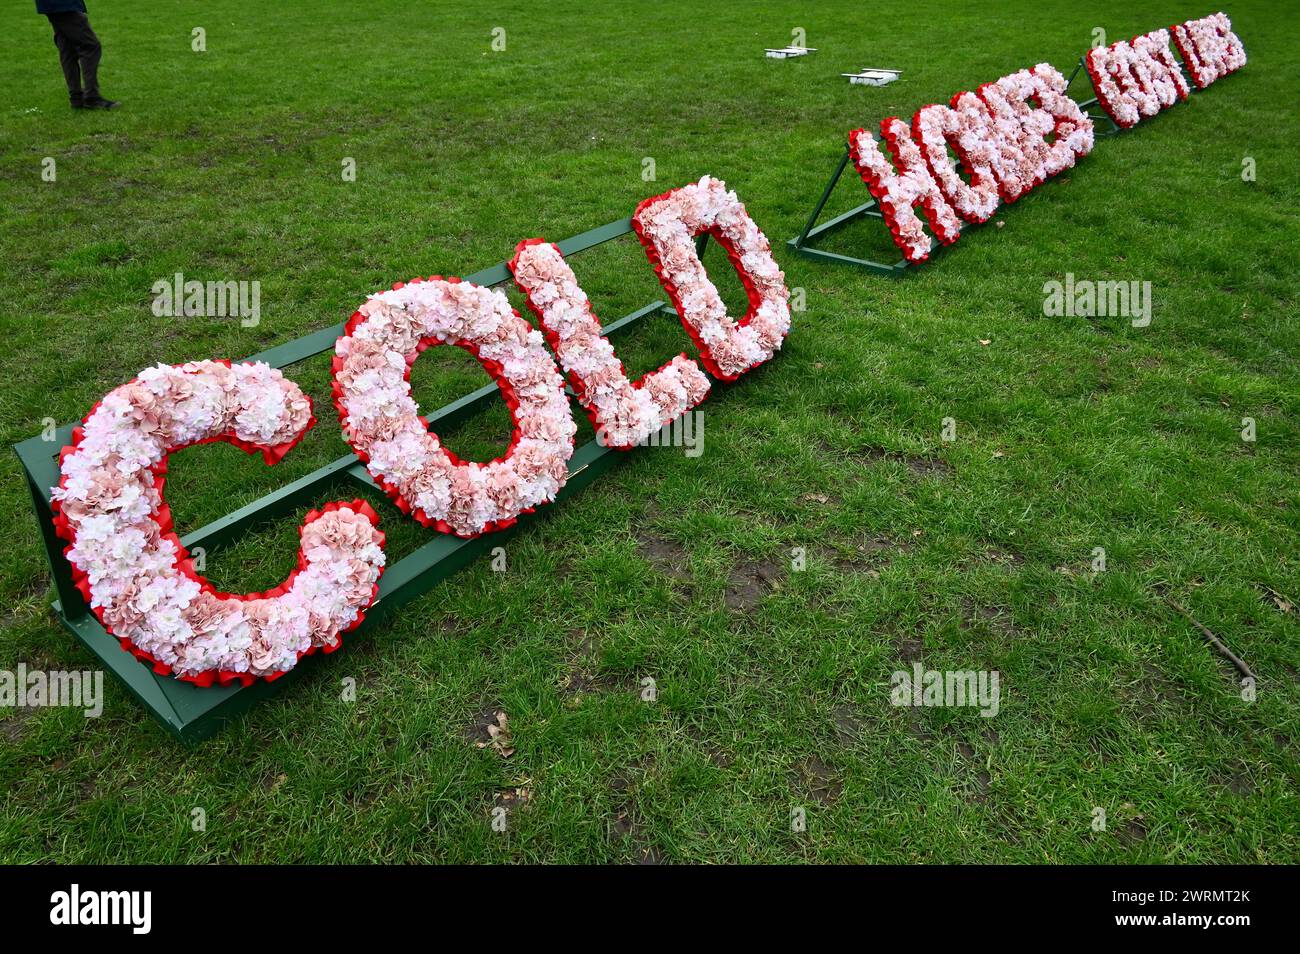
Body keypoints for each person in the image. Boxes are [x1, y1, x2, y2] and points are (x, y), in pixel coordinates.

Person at [36, 1, 118, 109]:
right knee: (90, 46)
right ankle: (91, 97)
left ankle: (76, 98)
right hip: (61, 4)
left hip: (53, 5)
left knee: (68, 48)